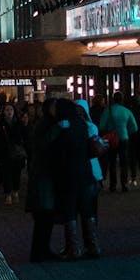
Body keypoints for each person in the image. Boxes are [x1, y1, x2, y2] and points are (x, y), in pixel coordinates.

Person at [49, 98, 98, 260]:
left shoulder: (65, 127)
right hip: (85, 172)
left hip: (68, 174)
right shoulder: (82, 125)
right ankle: (93, 245)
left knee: (70, 211)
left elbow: (60, 153)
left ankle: (74, 247)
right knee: (87, 209)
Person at [25, 98, 60, 262]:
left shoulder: (44, 124)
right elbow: (42, 144)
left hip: (43, 176)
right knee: (43, 218)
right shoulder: (46, 126)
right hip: (43, 178)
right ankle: (40, 251)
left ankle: (41, 250)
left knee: (44, 219)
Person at [74, 98, 104, 257]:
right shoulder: (92, 127)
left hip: (86, 172)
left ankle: (85, 243)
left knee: (82, 209)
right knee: (90, 209)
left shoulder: (77, 127)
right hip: (94, 171)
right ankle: (92, 242)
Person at [99, 91, 138, 192]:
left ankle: (113, 185)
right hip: (124, 138)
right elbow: (134, 127)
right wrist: (125, 130)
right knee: (124, 162)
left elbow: (102, 125)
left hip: (112, 139)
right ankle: (124, 184)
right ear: (122, 99)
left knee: (112, 162)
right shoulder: (127, 111)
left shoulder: (108, 110)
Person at [0, 102, 27, 204]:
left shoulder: (19, 124)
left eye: (11, 110)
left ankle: (15, 191)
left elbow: (25, 138)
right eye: (7, 110)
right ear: (3, 112)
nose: (9, 112)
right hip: (4, 153)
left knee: (17, 173)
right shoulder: (0, 125)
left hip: (17, 153)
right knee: (6, 174)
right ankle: (8, 194)